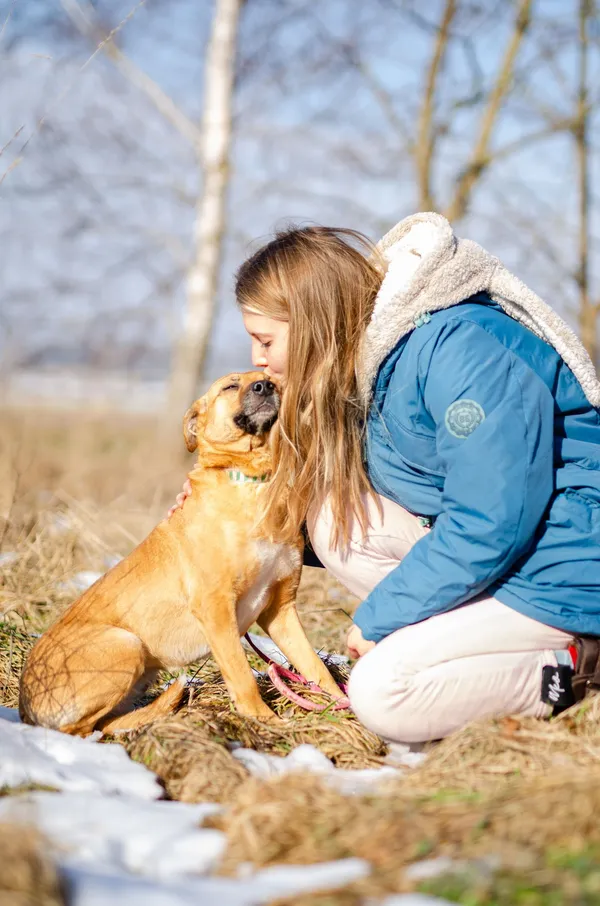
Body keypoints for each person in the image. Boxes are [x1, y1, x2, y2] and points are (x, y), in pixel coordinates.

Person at [170, 212, 600, 746]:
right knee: (330, 521)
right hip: (514, 552)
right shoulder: (376, 360)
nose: (258, 360)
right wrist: (226, 512)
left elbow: (494, 518)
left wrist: (382, 617)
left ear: (311, 322)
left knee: (383, 694)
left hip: (568, 567)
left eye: (265, 340)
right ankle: (475, 641)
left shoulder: (460, 351)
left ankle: (577, 666)